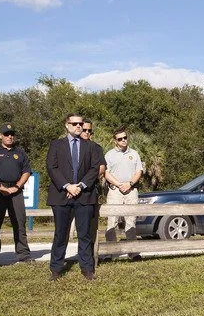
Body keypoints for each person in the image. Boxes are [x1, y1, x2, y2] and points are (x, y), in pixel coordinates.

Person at [45, 113, 101, 281]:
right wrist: (67, 186)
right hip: (61, 195)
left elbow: (94, 169)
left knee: (84, 234)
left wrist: (81, 186)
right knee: (60, 233)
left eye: (80, 123)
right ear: (67, 125)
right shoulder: (56, 145)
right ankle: (56, 268)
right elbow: (51, 167)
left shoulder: (90, 147)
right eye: (75, 123)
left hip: (84, 196)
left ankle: (87, 268)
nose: (78, 126)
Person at [0, 123, 32, 265]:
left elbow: (26, 171)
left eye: (12, 134)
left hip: (16, 191)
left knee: (19, 223)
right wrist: (0, 187)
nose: (10, 136)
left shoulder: (20, 152)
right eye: (6, 134)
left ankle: (23, 255)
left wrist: (17, 186)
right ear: (0, 135)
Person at [103, 127, 144, 243]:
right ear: (115, 141)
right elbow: (106, 173)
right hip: (115, 190)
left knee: (131, 220)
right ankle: (110, 251)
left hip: (131, 190)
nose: (123, 140)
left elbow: (139, 171)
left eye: (125, 137)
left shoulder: (134, 154)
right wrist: (119, 184)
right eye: (120, 139)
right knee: (112, 220)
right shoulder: (109, 155)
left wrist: (130, 184)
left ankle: (133, 251)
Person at [79, 119, 107, 254]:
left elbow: (101, 168)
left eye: (89, 130)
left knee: (90, 225)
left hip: (89, 191)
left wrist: (85, 181)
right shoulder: (70, 146)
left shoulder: (96, 148)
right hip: (70, 191)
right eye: (84, 130)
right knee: (65, 227)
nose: (87, 132)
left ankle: (89, 254)